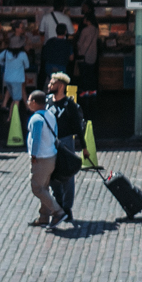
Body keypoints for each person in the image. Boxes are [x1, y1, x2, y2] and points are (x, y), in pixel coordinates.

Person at [47, 73, 85, 218]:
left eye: (53, 83)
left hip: (66, 141)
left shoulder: (69, 104)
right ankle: (58, 203)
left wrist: (84, 147)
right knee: (52, 173)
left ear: (61, 86)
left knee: (67, 174)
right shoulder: (47, 101)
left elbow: (77, 126)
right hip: (50, 141)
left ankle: (67, 207)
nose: (49, 85)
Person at [24, 90, 65, 226]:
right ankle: (44, 216)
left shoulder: (36, 119)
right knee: (44, 187)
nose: (28, 103)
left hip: (41, 158)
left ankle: (58, 212)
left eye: (29, 100)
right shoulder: (50, 115)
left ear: (34, 103)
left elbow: (36, 139)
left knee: (36, 187)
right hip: (51, 155)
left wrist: (33, 155)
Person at [0, 41, 30, 117]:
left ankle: (10, 117)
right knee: (16, 100)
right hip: (17, 80)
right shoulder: (22, 54)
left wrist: (5, 64)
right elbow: (27, 66)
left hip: (8, 78)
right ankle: (13, 118)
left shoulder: (6, 52)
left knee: (14, 98)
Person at [76, 15, 101, 92]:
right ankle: (92, 91)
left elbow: (80, 43)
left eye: (85, 19)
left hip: (84, 55)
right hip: (93, 54)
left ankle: (84, 91)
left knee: (84, 74)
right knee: (91, 74)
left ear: (88, 20)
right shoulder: (96, 30)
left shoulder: (85, 30)